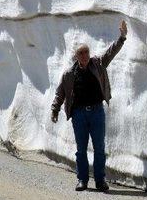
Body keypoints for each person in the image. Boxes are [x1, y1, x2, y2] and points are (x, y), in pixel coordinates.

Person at [51, 20, 127, 191]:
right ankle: (82, 180)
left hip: (96, 112)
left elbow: (111, 52)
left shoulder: (98, 64)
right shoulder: (69, 74)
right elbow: (60, 93)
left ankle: (100, 181)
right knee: (81, 149)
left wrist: (121, 38)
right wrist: (54, 109)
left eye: (86, 52)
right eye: (81, 53)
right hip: (79, 115)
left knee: (99, 148)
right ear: (76, 56)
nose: (84, 55)